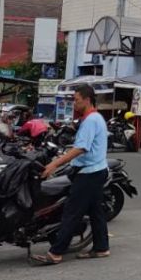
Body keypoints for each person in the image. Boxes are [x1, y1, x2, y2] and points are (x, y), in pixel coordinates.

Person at [31, 84, 110, 265]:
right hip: (97, 171)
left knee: (71, 212)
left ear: (87, 100)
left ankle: (56, 253)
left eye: (77, 100)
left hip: (89, 174)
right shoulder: (94, 118)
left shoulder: (91, 120)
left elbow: (81, 148)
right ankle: (102, 247)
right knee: (96, 211)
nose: (74, 104)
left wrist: (53, 165)